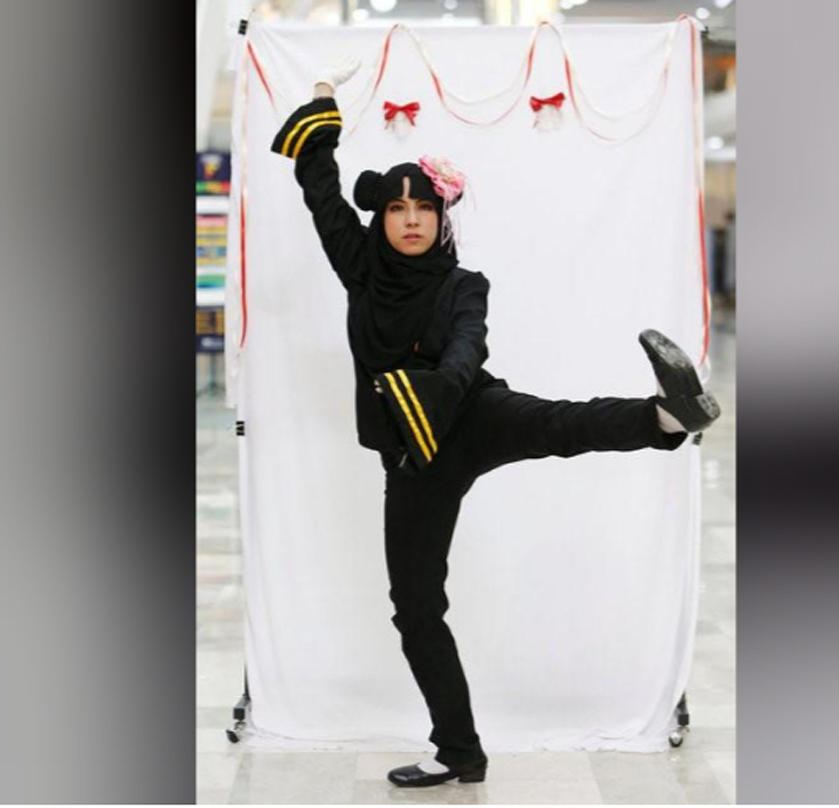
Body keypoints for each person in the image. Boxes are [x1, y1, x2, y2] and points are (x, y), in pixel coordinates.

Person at [270, 57, 720, 789]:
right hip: (412, 460)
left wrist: (444, 389)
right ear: (382, 219)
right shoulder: (361, 270)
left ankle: (668, 415)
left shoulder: (463, 284)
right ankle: (460, 751)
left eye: (423, 209)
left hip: (470, 414)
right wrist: (322, 98)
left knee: (559, 424)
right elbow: (320, 188)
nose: (410, 220)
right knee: (416, 611)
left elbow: (466, 347)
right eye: (397, 209)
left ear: (441, 218)